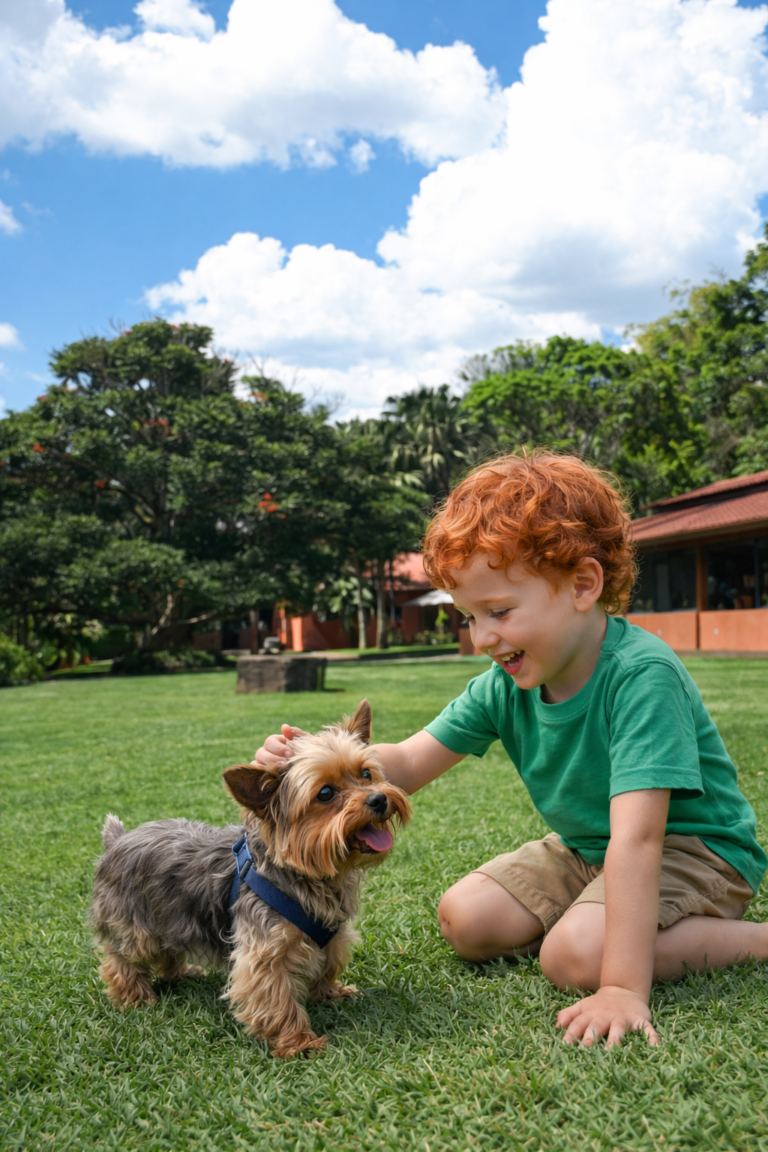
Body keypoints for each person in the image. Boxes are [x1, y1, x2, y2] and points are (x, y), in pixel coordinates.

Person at [253, 452, 768, 1047]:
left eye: (499, 611)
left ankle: (751, 941)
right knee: (465, 919)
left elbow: (639, 838)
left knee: (574, 959)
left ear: (583, 585)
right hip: (587, 849)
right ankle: (598, 919)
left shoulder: (640, 676)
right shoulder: (504, 685)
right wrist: (313, 764)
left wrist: (622, 988)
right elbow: (410, 762)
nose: (483, 637)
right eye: (469, 617)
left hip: (695, 851)